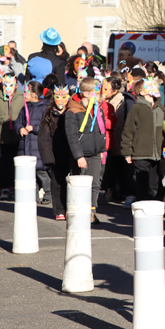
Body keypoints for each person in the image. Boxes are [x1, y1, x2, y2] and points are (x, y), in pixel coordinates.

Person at [65, 77, 107, 223]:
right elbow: (72, 136)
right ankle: (79, 211)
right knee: (81, 184)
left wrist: (101, 149)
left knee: (95, 183)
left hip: (95, 152)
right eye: (96, 91)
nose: (99, 94)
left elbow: (100, 131)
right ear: (87, 93)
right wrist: (79, 156)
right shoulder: (73, 110)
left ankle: (91, 212)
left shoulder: (97, 109)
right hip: (82, 154)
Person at [121, 78, 163, 202]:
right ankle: (142, 212)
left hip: (157, 154)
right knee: (142, 185)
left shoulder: (160, 108)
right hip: (140, 153)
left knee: (154, 185)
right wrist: (127, 152)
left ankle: (152, 213)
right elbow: (128, 131)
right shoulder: (136, 108)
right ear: (143, 92)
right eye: (150, 86)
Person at [0, 72, 23, 201]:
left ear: (16, 85)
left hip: (19, 139)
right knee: (5, 164)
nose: (8, 88)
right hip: (3, 139)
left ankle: (17, 187)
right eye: (5, 85)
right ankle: (7, 187)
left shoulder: (22, 98)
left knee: (18, 164)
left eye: (11, 85)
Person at [39, 85, 72, 220]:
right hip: (56, 154)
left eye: (64, 97)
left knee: (71, 183)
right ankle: (59, 209)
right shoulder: (49, 114)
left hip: (71, 153)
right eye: (58, 97)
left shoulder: (72, 112)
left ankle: (70, 207)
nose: (61, 100)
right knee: (57, 183)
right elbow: (44, 137)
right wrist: (47, 156)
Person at [15, 81, 51, 204]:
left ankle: (48, 193)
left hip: (37, 145)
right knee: (30, 174)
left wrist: (34, 127)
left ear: (34, 94)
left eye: (26, 91)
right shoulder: (25, 107)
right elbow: (18, 122)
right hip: (25, 144)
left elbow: (46, 126)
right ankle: (33, 196)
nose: (24, 94)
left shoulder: (45, 107)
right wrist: (20, 128)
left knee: (41, 171)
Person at [102, 76, 134, 204]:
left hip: (117, 141)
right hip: (112, 141)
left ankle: (117, 192)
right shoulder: (109, 101)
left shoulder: (119, 102)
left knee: (117, 169)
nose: (102, 92)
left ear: (114, 91)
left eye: (105, 89)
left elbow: (117, 124)